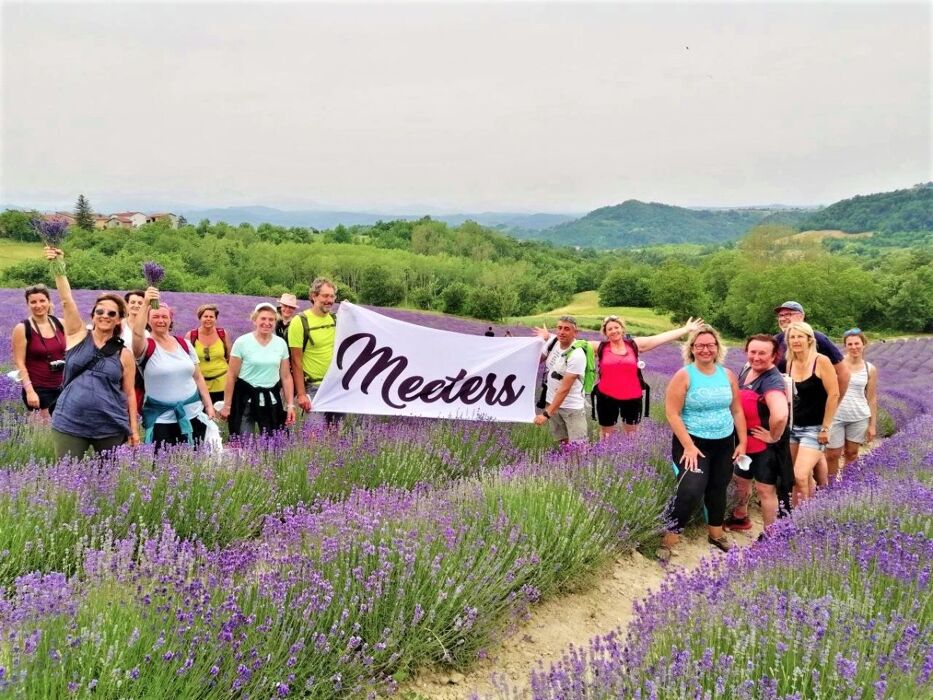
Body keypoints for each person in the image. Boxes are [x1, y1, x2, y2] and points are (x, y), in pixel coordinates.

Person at [44, 247, 139, 459]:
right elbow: (67, 301)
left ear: (118, 319)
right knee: (67, 478)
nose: (105, 316)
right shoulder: (78, 335)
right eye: (100, 311)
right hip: (69, 422)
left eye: (111, 313)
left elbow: (130, 393)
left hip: (109, 426)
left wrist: (133, 428)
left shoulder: (124, 354)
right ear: (93, 315)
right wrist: (59, 268)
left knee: (106, 481)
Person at [661, 324, 746, 557]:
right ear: (692, 349)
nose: (705, 350)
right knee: (690, 490)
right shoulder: (684, 375)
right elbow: (672, 413)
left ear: (717, 347)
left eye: (710, 345)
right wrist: (688, 446)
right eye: (700, 346)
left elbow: (737, 410)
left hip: (724, 442)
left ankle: (716, 535)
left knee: (718, 488)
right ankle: (669, 540)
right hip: (693, 444)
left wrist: (743, 442)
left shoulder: (727, 375)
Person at [773, 301, 848, 490]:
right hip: (793, 419)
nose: (784, 318)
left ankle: (821, 496)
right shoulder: (778, 341)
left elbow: (843, 374)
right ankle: (810, 503)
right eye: (781, 315)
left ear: (802, 316)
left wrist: (830, 410)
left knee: (803, 471)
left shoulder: (818, 340)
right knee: (799, 473)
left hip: (815, 421)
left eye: (789, 314)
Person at [590, 315, 704, 439]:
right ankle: (605, 455)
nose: (614, 331)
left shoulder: (634, 345)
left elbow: (659, 338)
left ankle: (630, 455)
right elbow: (575, 344)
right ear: (605, 333)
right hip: (606, 397)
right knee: (606, 433)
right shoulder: (600, 347)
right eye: (610, 329)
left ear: (622, 329)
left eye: (616, 327)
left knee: (631, 434)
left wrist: (685, 329)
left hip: (632, 397)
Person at [133, 288, 215, 449]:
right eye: (155, 317)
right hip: (161, 419)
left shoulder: (184, 344)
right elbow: (137, 334)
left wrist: (209, 406)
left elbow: (198, 377)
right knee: (165, 466)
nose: (160, 320)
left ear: (171, 320)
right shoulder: (145, 347)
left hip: (193, 414)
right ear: (148, 321)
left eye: (165, 316)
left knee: (195, 463)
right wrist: (145, 304)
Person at [724, 335, 789, 534]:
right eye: (753, 352)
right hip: (746, 442)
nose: (757, 357)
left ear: (774, 356)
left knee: (765, 490)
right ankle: (740, 517)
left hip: (765, 446)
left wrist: (773, 436)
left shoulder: (772, 380)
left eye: (763, 353)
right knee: (741, 481)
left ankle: (771, 535)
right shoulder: (747, 369)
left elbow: (780, 414)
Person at [220, 303, 296, 436]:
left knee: (273, 444)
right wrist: (227, 405)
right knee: (243, 443)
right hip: (246, 400)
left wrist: (290, 405)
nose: (267, 323)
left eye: (271, 320)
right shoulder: (242, 342)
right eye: (263, 319)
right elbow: (231, 375)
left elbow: (286, 376)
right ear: (255, 320)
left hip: (271, 400)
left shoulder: (281, 344)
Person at [785, 321, 840, 505]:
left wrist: (826, 427)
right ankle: (798, 519)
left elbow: (834, 394)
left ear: (809, 339)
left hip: (815, 429)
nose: (796, 340)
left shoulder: (821, 361)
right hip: (793, 426)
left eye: (800, 336)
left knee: (800, 475)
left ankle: (807, 517)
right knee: (795, 478)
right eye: (792, 337)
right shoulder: (790, 362)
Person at [288, 277, 341, 427]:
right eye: (325, 296)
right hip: (313, 388)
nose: (329, 300)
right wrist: (301, 394)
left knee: (336, 434)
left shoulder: (335, 319)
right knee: (314, 437)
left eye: (332, 296)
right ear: (313, 296)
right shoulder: (300, 322)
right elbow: (296, 361)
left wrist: (351, 311)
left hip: (336, 385)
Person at [825, 328, 877, 477]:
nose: (854, 347)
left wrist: (872, 425)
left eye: (857, 343)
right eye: (850, 344)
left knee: (852, 453)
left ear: (864, 344)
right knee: (832, 454)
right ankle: (831, 487)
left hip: (859, 416)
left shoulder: (870, 369)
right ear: (845, 346)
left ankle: (847, 487)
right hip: (836, 415)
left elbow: (872, 398)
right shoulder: (835, 365)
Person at [11, 283, 66, 421]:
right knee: (43, 434)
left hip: (63, 386)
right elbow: (19, 362)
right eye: (33, 302)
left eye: (42, 300)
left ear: (49, 302)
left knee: (63, 433)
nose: (38, 305)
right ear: (28, 304)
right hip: (38, 388)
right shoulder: (22, 328)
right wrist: (29, 391)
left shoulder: (60, 323)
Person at [532, 316, 588, 445]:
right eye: (559, 328)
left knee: (579, 448)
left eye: (567, 329)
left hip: (571, 407)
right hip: (551, 401)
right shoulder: (553, 342)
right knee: (563, 443)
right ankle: (566, 464)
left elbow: (564, 389)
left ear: (575, 333)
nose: (562, 332)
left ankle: (578, 466)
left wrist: (546, 414)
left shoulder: (577, 354)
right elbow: (535, 362)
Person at [185, 304, 231, 404]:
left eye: (211, 317)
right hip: (199, 384)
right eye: (205, 316)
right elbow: (186, 361)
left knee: (221, 417)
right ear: (200, 318)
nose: (208, 319)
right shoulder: (191, 336)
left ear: (216, 319)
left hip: (223, 383)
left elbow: (230, 357)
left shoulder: (222, 334)